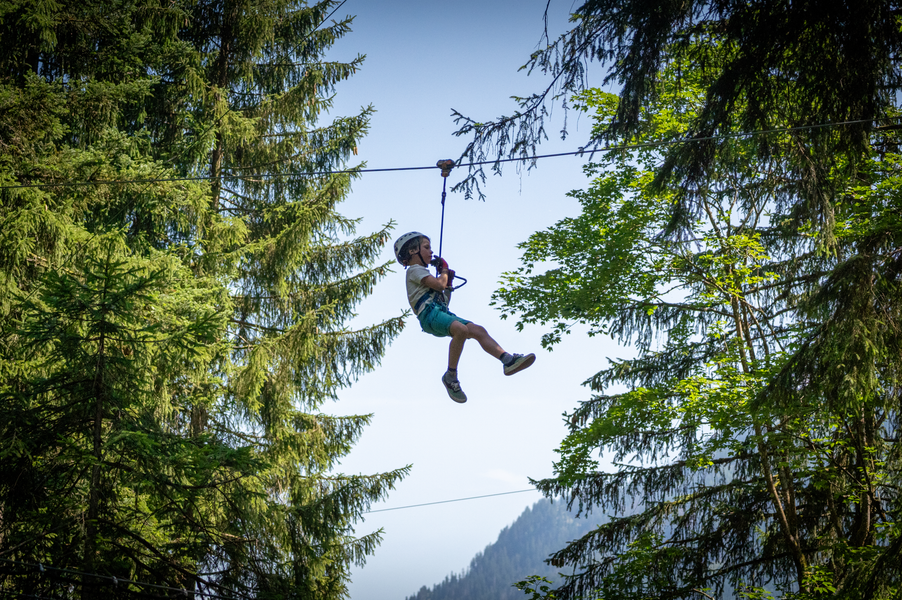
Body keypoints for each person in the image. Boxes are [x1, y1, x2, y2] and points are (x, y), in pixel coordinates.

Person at [394, 231, 535, 403]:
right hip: (429, 315)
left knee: (477, 330)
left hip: (439, 312)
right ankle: (451, 376)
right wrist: (444, 270)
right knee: (460, 330)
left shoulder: (422, 274)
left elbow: (444, 301)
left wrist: (449, 284)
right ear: (412, 251)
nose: (431, 252)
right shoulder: (415, 270)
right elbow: (438, 285)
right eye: (426, 247)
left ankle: (507, 360)